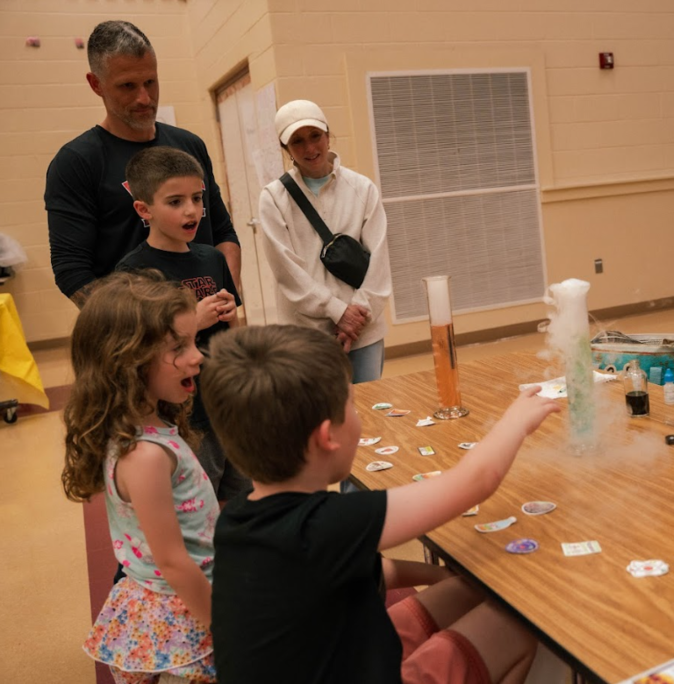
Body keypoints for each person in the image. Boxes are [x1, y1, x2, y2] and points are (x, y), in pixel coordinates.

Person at [202, 324, 560, 683]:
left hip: (336, 660)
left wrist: (442, 575)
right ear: (327, 437)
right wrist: (517, 420)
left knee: (473, 590)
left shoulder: (237, 517)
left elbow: (369, 571)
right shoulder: (327, 525)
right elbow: (476, 481)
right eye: (353, 407)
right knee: (521, 620)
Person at [60, 272, 217, 683]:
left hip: (180, 598)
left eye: (194, 341)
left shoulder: (145, 427)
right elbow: (172, 560)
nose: (197, 356)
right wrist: (224, 626)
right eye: (178, 347)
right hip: (182, 615)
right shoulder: (145, 455)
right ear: (127, 362)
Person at [45, 20, 240, 308]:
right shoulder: (77, 162)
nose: (144, 98)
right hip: (140, 340)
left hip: (210, 331)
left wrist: (225, 295)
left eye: (150, 82)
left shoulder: (190, 145)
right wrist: (150, 330)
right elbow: (71, 271)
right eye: (128, 86)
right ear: (95, 84)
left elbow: (222, 232)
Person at [117, 146, 252, 503]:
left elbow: (229, 332)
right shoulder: (134, 272)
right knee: (201, 503)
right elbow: (139, 350)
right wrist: (194, 320)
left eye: (197, 198)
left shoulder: (212, 257)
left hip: (227, 406)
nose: (191, 210)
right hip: (185, 416)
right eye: (175, 202)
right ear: (144, 209)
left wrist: (230, 316)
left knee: (242, 499)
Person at [258, 99, 392, 383]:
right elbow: (287, 272)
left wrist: (353, 320)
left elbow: (379, 263)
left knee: (371, 416)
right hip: (306, 337)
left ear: (328, 135)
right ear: (286, 150)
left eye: (315, 136)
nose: (310, 148)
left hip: (363, 330)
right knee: (319, 420)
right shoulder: (272, 199)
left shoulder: (363, 189)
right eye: (297, 141)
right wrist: (337, 311)